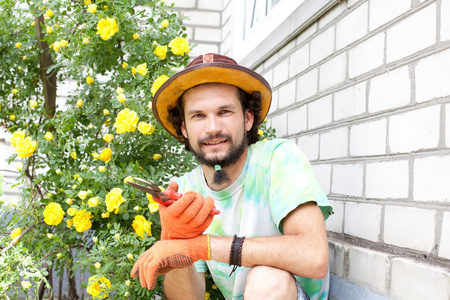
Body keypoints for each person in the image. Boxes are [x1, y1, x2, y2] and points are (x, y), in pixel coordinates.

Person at [131, 53, 333, 300]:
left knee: (267, 280)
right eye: (198, 115)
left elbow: (314, 257)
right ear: (184, 128)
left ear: (247, 118)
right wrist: (175, 241)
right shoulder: (186, 189)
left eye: (224, 111)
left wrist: (203, 246)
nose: (213, 127)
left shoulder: (278, 160)